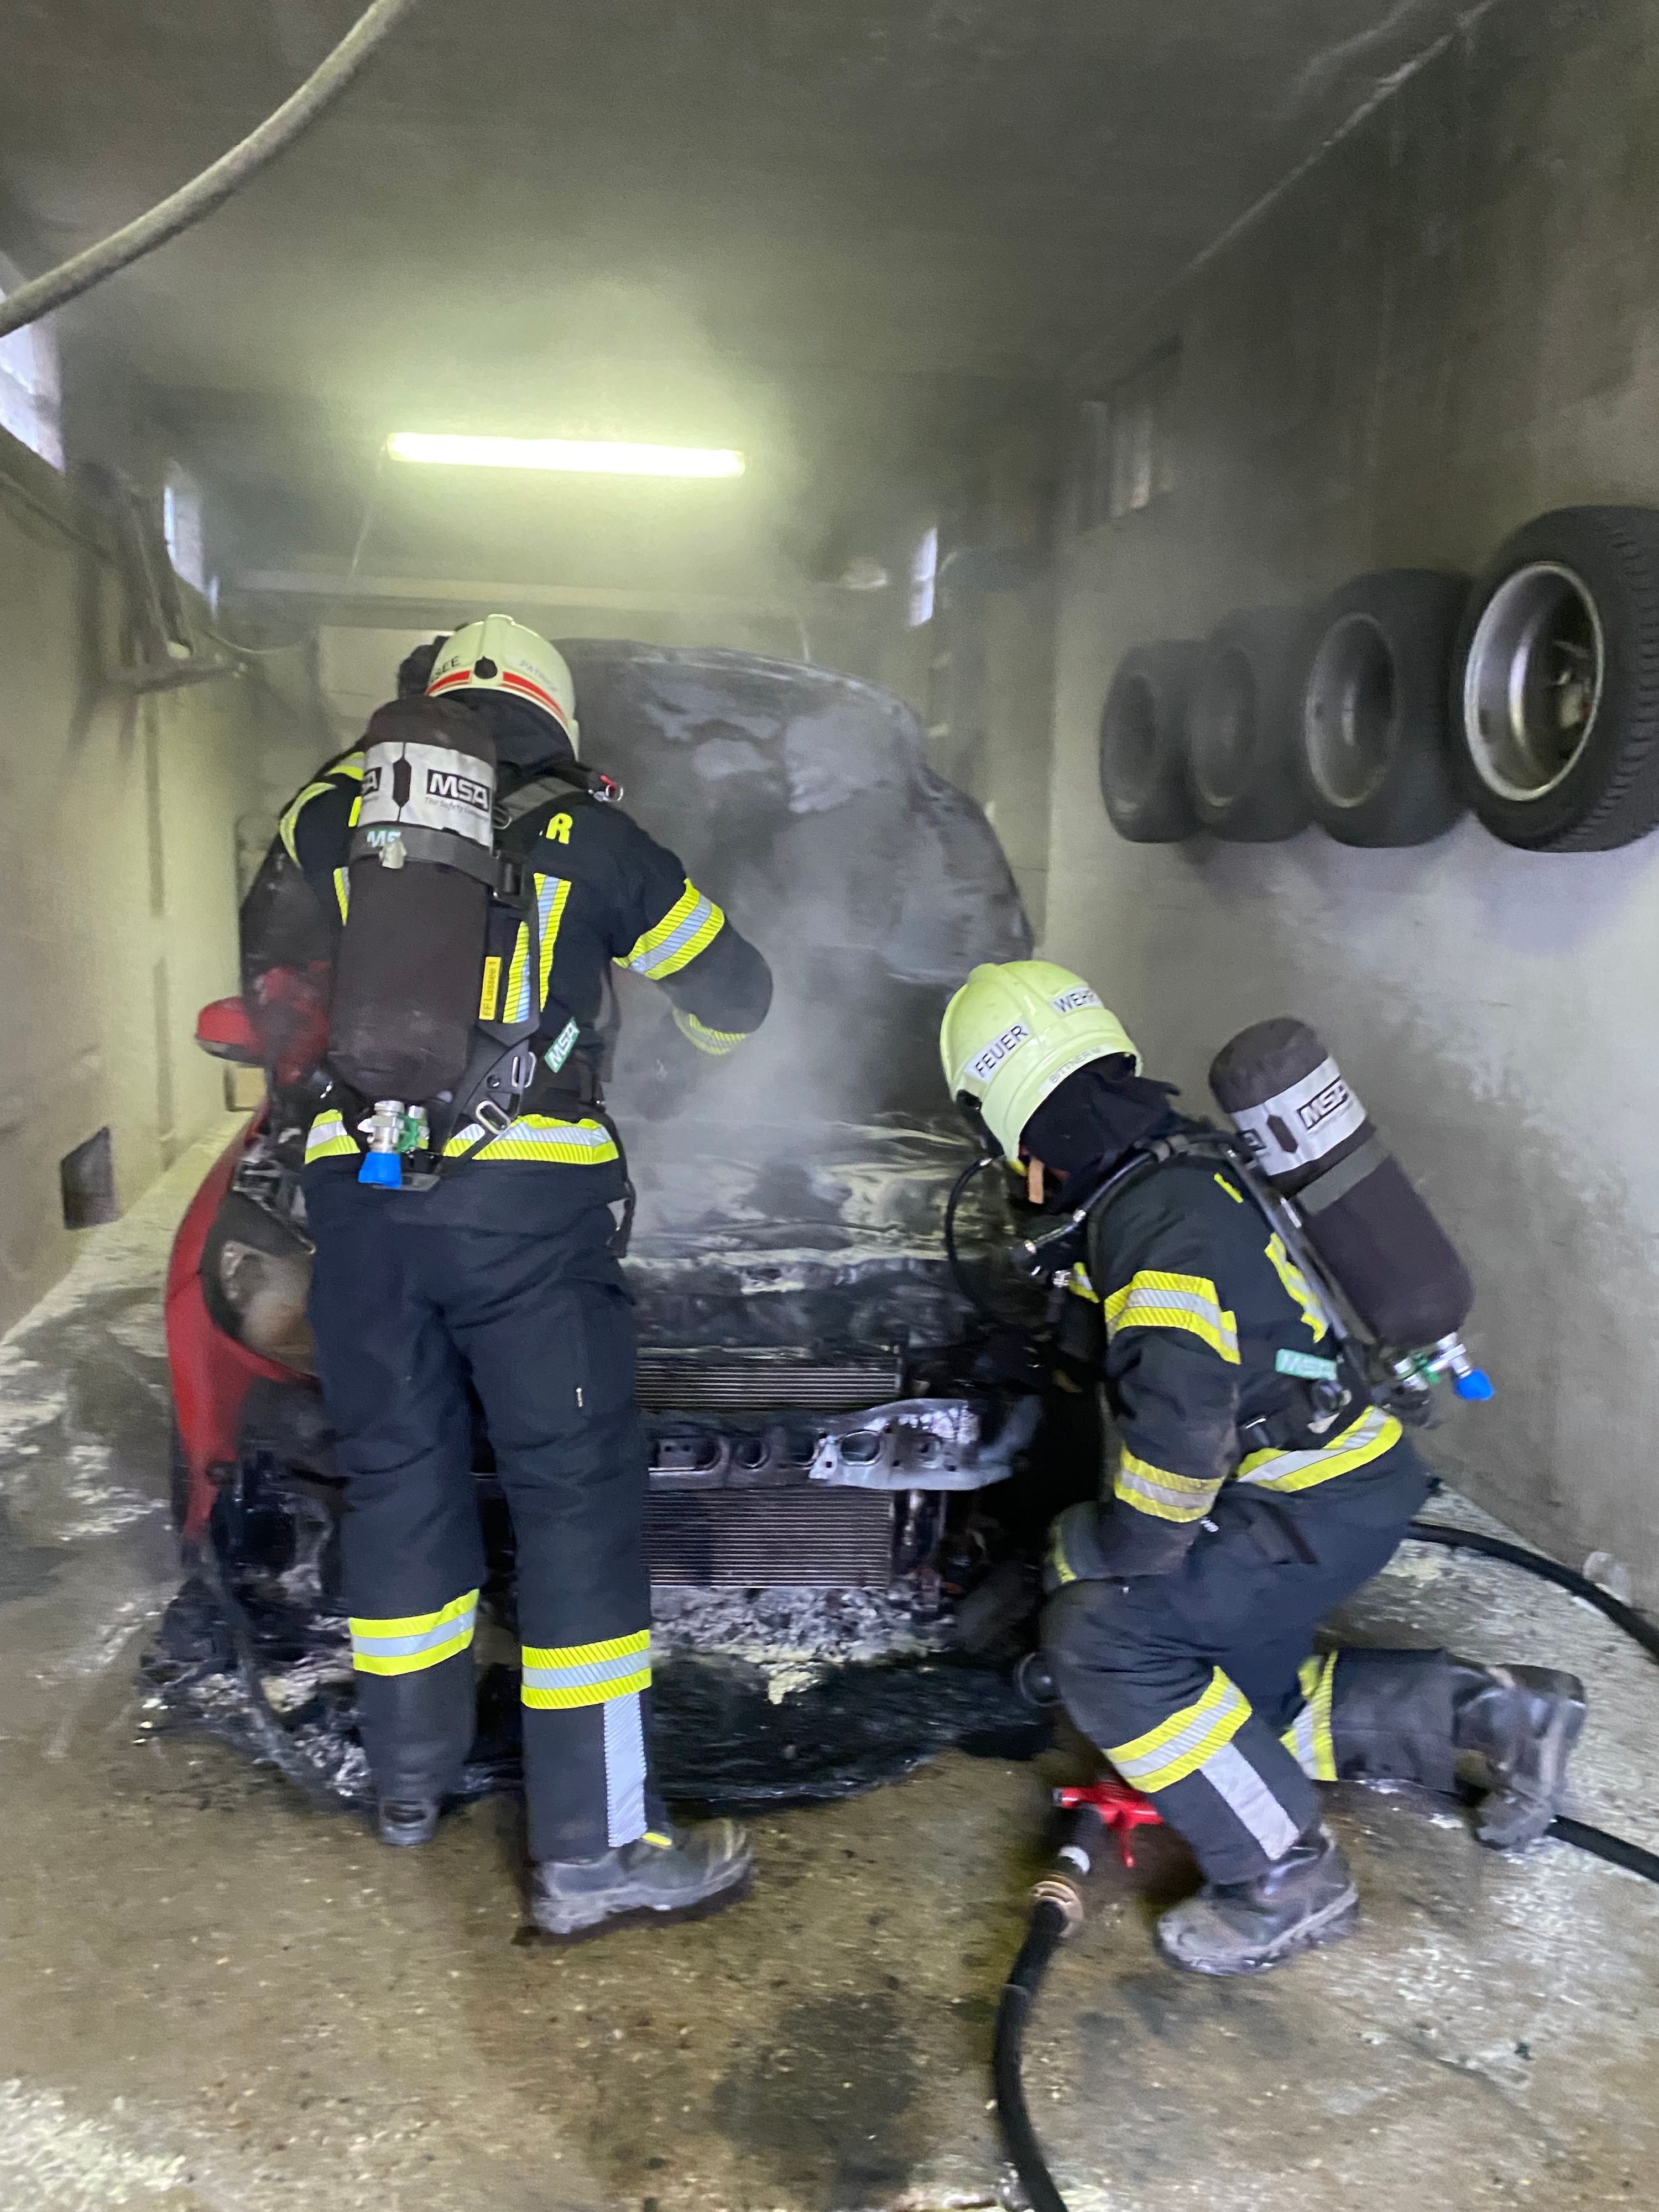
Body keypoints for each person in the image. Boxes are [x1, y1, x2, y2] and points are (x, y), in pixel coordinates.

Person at [939, 959, 1585, 1976]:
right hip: (1337, 1479)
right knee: (1245, 1713)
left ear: (1007, 1122)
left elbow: (1172, 1467)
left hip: (1304, 1508)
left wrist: (1080, 1555)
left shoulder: (1152, 1229)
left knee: (1106, 1638)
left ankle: (1286, 1878)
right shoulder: (1177, 1167)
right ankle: (1505, 1716)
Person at [278, 614, 771, 1938]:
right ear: (557, 720)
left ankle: (407, 1781)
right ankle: (595, 1851)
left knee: (399, 1478)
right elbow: (737, 992)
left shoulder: (332, 814)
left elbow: (275, 950)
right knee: (573, 1508)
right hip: (526, 1221)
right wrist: (668, 1055)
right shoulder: (595, 837)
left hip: (360, 1205)